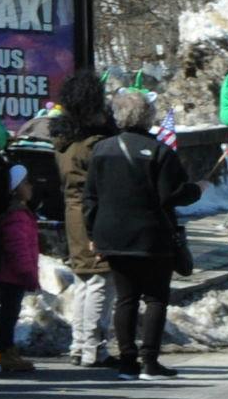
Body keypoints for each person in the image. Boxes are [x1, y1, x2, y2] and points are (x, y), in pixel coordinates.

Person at [84, 91, 199, 379]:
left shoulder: (101, 149)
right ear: (148, 117)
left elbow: (90, 196)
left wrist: (92, 232)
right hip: (152, 234)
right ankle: (150, 361)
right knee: (156, 297)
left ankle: (127, 361)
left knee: (126, 298)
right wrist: (197, 190)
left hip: (112, 234)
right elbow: (172, 194)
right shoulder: (160, 151)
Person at [50, 70, 119, 368]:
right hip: (94, 214)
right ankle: (93, 347)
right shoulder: (93, 144)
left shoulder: (65, 141)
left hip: (73, 213)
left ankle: (79, 344)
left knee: (83, 279)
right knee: (101, 280)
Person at [0, 109, 41, 375]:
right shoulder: (17, 216)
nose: (31, 187)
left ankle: (5, 350)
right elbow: (18, 247)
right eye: (27, 183)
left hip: (10, 274)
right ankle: (6, 351)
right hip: (12, 275)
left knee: (8, 312)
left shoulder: (19, 213)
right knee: (8, 313)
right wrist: (27, 274)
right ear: (17, 189)